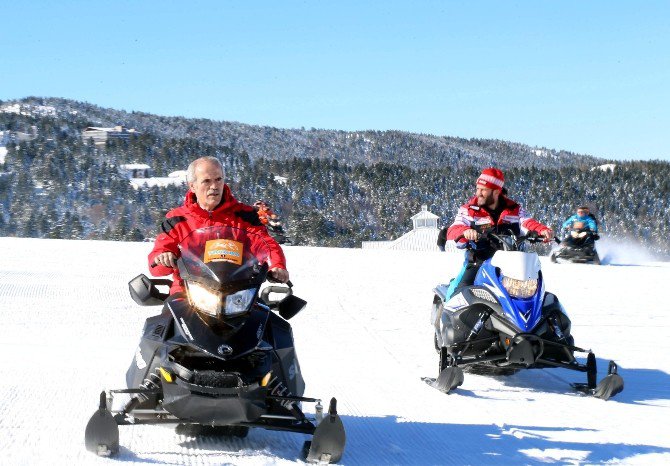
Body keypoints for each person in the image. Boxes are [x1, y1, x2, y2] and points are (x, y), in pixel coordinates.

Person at [150, 156, 289, 295]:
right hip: (188, 293)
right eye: (206, 181)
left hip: (237, 292)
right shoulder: (176, 219)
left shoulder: (244, 215)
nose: (214, 186)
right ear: (192, 186)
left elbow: (265, 243)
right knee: (169, 316)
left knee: (265, 316)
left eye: (218, 179)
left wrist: (276, 265)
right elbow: (156, 262)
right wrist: (164, 257)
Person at [444, 167, 553, 298]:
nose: (478, 193)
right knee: (458, 296)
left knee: (533, 296)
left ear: (496, 192)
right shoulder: (469, 210)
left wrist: (541, 230)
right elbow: (455, 228)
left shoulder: (514, 210)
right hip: (479, 261)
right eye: (477, 189)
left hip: (511, 265)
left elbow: (526, 222)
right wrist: (466, 231)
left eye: (483, 190)